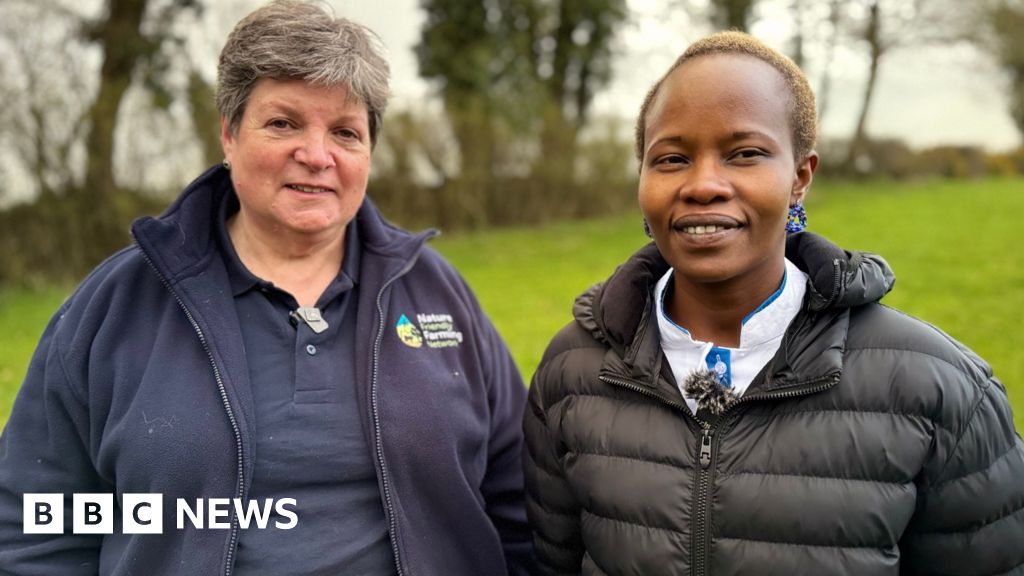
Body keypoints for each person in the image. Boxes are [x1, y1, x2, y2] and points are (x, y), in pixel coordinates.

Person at [0, 1, 534, 574]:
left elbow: (521, 505)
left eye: (345, 132)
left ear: (369, 153)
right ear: (229, 136)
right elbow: (38, 526)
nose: (316, 155)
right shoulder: (116, 305)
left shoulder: (436, 293)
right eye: (283, 123)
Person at [523, 31, 1024, 575]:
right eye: (671, 158)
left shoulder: (940, 391)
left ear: (800, 178)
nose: (704, 184)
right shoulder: (571, 373)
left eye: (745, 154)